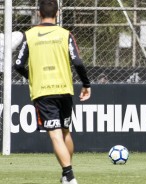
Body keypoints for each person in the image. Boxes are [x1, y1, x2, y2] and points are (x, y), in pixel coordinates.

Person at [14, 0, 91, 183]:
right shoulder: (65, 34)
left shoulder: (30, 35)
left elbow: (18, 65)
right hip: (64, 89)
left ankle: (70, 177)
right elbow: (78, 62)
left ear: (39, 14)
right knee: (65, 132)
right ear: (56, 14)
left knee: (55, 134)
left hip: (43, 92)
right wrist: (86, 84)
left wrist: (31, 76)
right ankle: (66, 174)